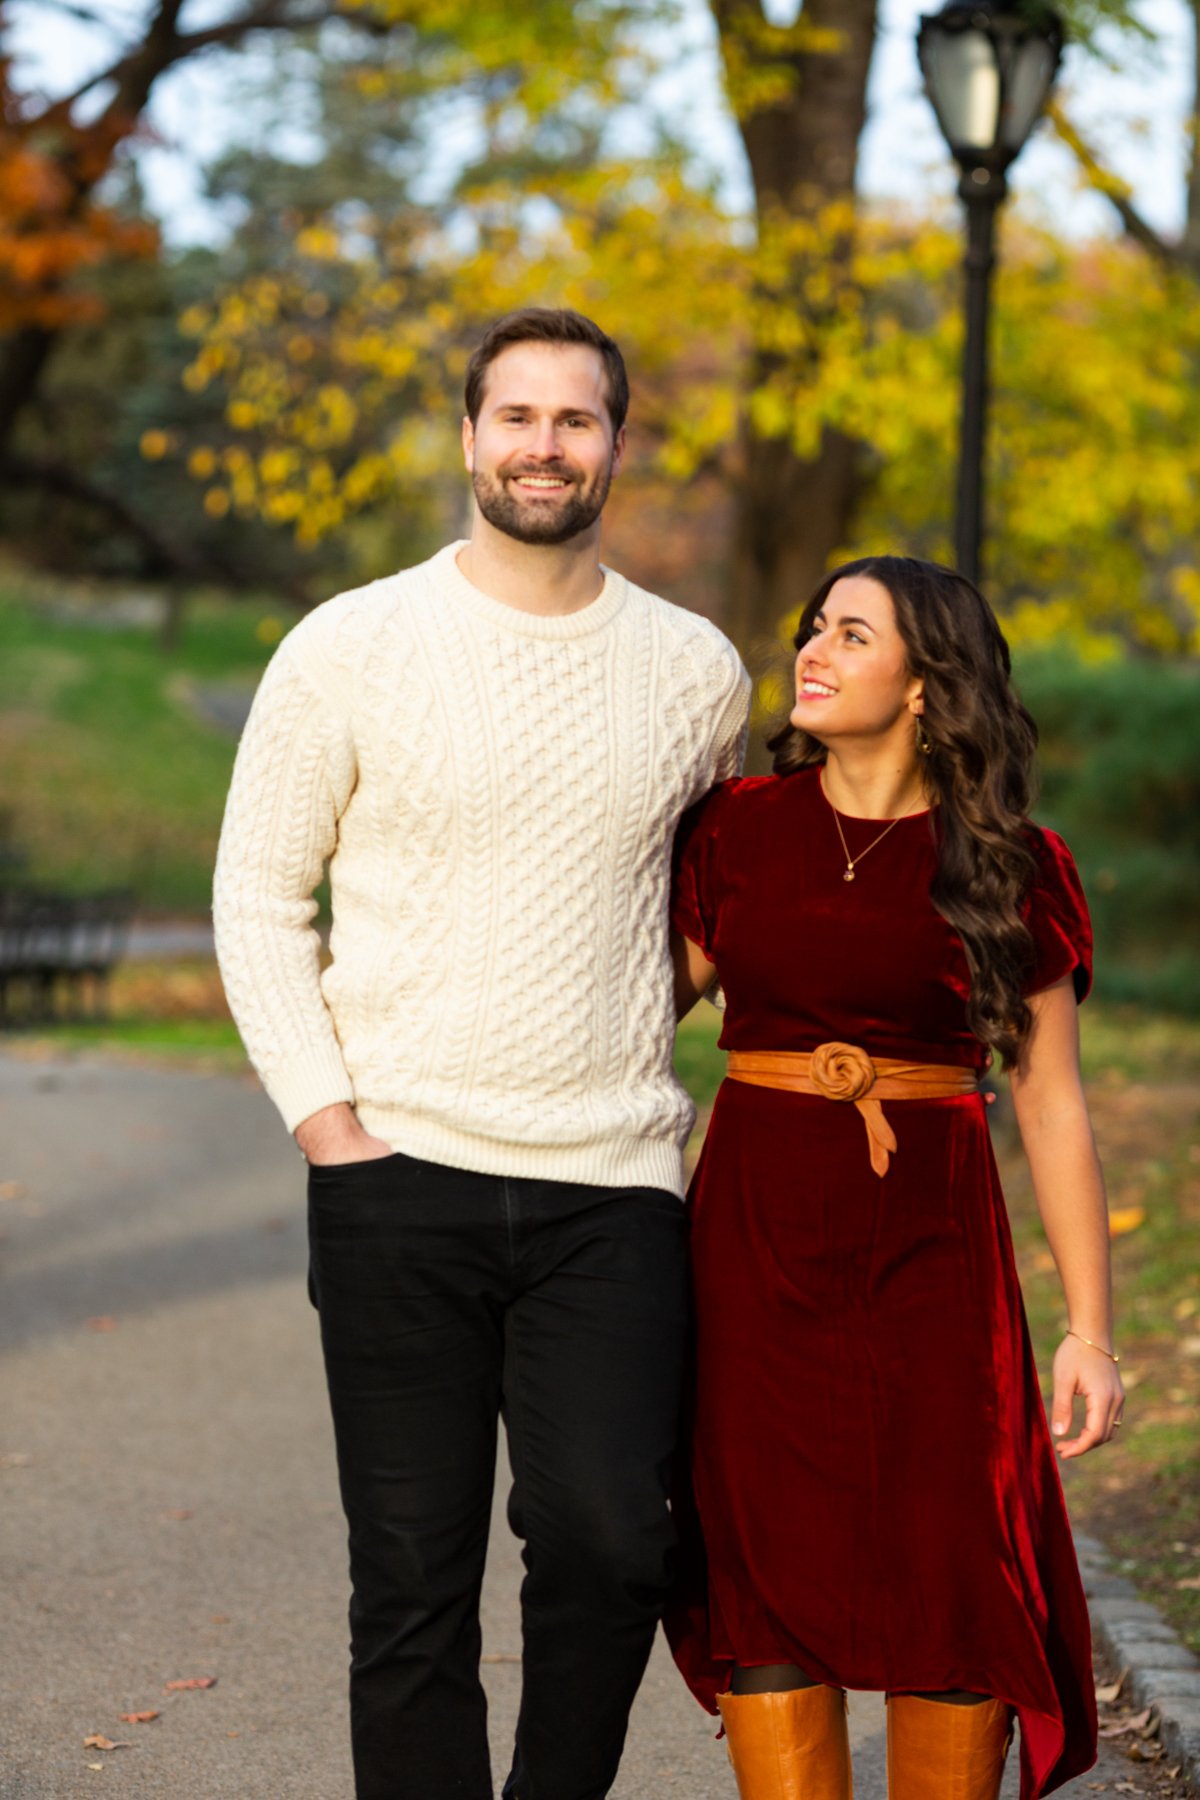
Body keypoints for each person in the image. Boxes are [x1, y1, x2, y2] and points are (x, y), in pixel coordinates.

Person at [213, 306, 750, 1800]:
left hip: (614, 1182)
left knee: (607, 1543)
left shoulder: (699, 672)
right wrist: (328, 1125)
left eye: (575, 421)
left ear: (616, 448)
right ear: (468, 439)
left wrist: (642, 1021)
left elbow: (708, 913)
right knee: (410, 1584)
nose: (543, 445)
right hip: (398, 1173)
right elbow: (258, 890)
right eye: (516, 417)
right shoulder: (351, 644)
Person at [667, 556, 1124, 1800]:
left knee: (948, 1569)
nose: (812, 649)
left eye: (850, 634)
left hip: (933, 1258)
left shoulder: (1011, 863)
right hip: (753, 1250)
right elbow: (633, 1018)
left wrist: (1090, 1330)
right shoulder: (736, 828)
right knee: (761, 1565)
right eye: (813, 627)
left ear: (928, 686)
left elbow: (1051, 1101)